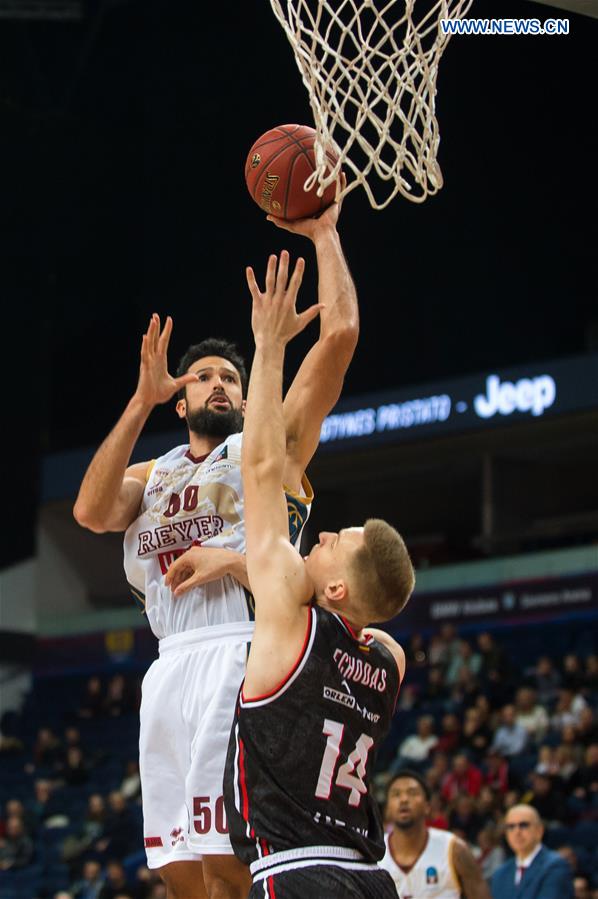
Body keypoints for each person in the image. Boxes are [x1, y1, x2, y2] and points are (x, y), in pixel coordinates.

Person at [73, 200, 359, 899]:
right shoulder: (153, 473)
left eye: (230, 377)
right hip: (170, 666)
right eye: (203, 375)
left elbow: (342, 335)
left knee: (231, 863)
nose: (220, 384)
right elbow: (90, 510)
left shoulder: (264, 448)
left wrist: (324, 234)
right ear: (181, 398)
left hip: (243, 650)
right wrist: (139, 403)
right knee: (178, 874)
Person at [223, 250, 414, 897]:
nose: (325, 532)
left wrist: (268, 345)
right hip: (369, 874)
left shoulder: (291, 618)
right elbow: (372, 618)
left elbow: (258, 470)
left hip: (298, 872)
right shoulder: (386, 659)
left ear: (336, 590)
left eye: (336, 540)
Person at [379, 770, 490, 898]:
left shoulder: (454, 849)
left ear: (427, 807)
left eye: (412, 793)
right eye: (396, 794)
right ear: (387, 809)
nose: (404, 799)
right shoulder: (373, 855)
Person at [491, 804, 574, 898]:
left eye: (523, 825)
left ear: (539, 831)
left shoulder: (556, 866)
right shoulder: (500, 874)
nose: (517, 832)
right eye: (511, 827)